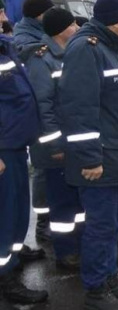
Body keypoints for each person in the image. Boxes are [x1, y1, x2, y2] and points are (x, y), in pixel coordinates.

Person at [58, 0, 118, 310]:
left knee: (115, 221)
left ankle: (108, 280)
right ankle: (95, 291)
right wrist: (90, 158)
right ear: (114, 20)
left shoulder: (113, 49)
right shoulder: (87, 49)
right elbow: (79, 109)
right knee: (101, 225)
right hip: (102, 160)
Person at [25, 8, 84, 271]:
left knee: (77, 201)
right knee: (62, 203)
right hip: (57, 148)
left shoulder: (69, 54)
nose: (77, 28)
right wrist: (55, 145)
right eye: (73, 24)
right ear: (61, 30)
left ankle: (78, 245)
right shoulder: (42, 60)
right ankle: (65, 253)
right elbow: (43, 106)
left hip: (74, 142)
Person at [0, 16, 48, 307]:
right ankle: (5, 277)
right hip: (3, 148)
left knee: (17, 211)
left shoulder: (5, 48)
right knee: (4, 215)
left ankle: (14, 254)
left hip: (15, 145)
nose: (5, 18)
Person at [13, 0, 55, 246]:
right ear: (39, 14)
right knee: (42, 167)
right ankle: (43, 222)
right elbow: (27, 57)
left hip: (48, 109)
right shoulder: (27, 38)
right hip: (38, 111)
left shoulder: (38, 32)